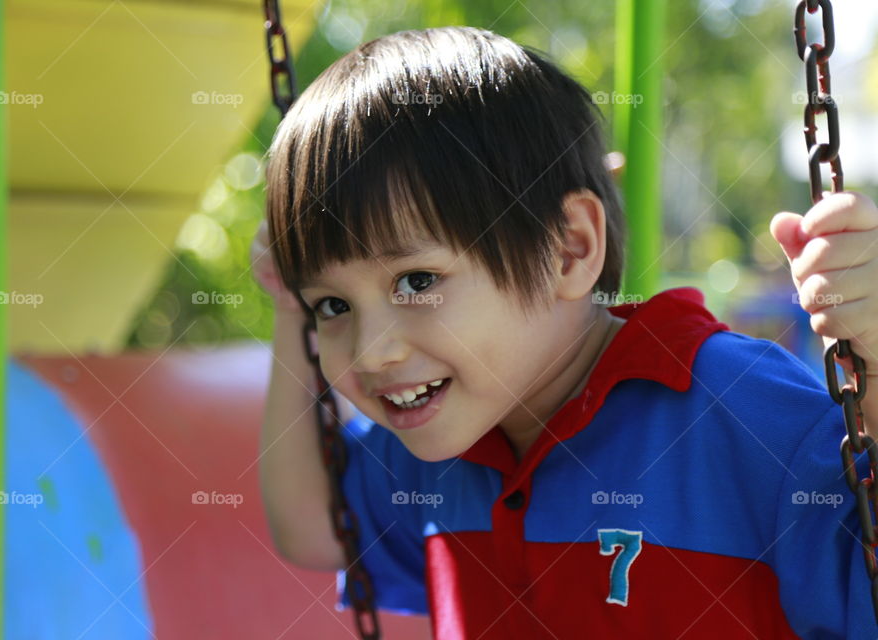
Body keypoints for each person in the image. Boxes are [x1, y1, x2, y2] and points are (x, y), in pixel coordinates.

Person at [254, 25, 878, 638]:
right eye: (333, 304)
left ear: (568, 250)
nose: (372, 349)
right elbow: (313, 523)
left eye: (416, 282)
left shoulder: (741, 415)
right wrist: (291, 310)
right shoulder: (442, 446)